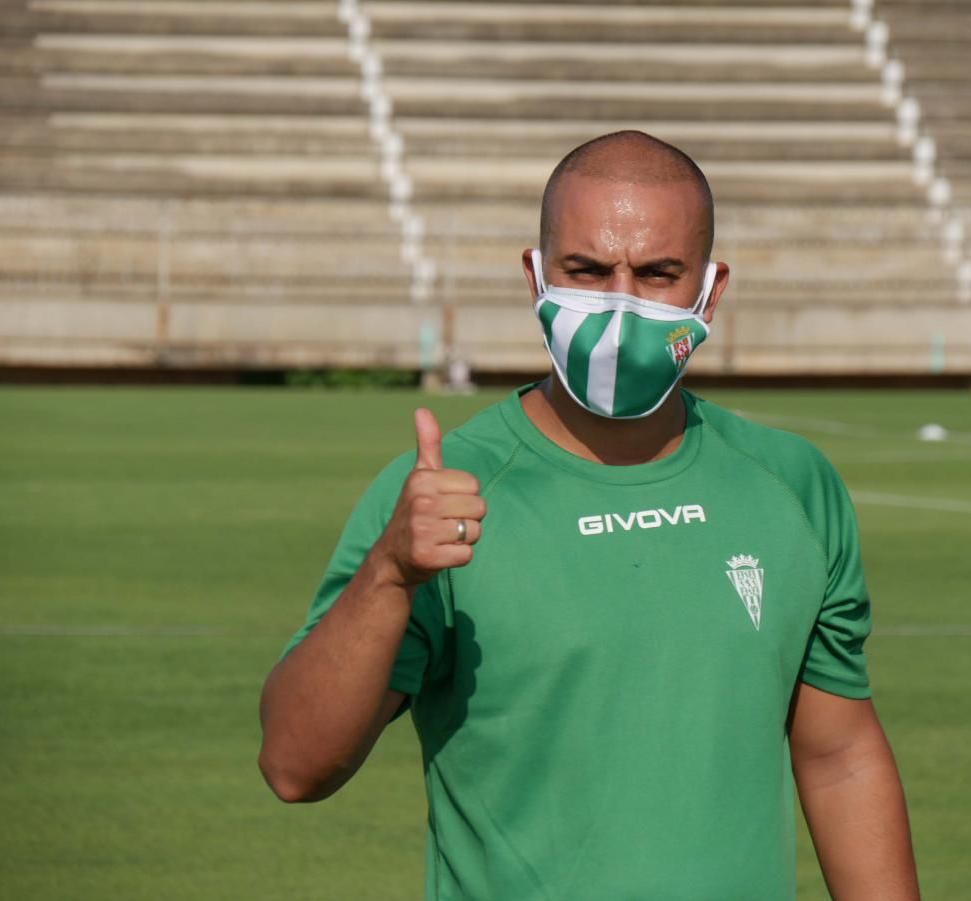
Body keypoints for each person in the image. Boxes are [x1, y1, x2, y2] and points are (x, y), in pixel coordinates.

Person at [258, 131, 920, 900]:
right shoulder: (438, 495)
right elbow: (294, 764)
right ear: (536, 275)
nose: (619, 300)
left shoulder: (795, 485)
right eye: (587, 270)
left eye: (657, 273)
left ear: (710, 289)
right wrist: (390, 571)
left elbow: (839, 756)